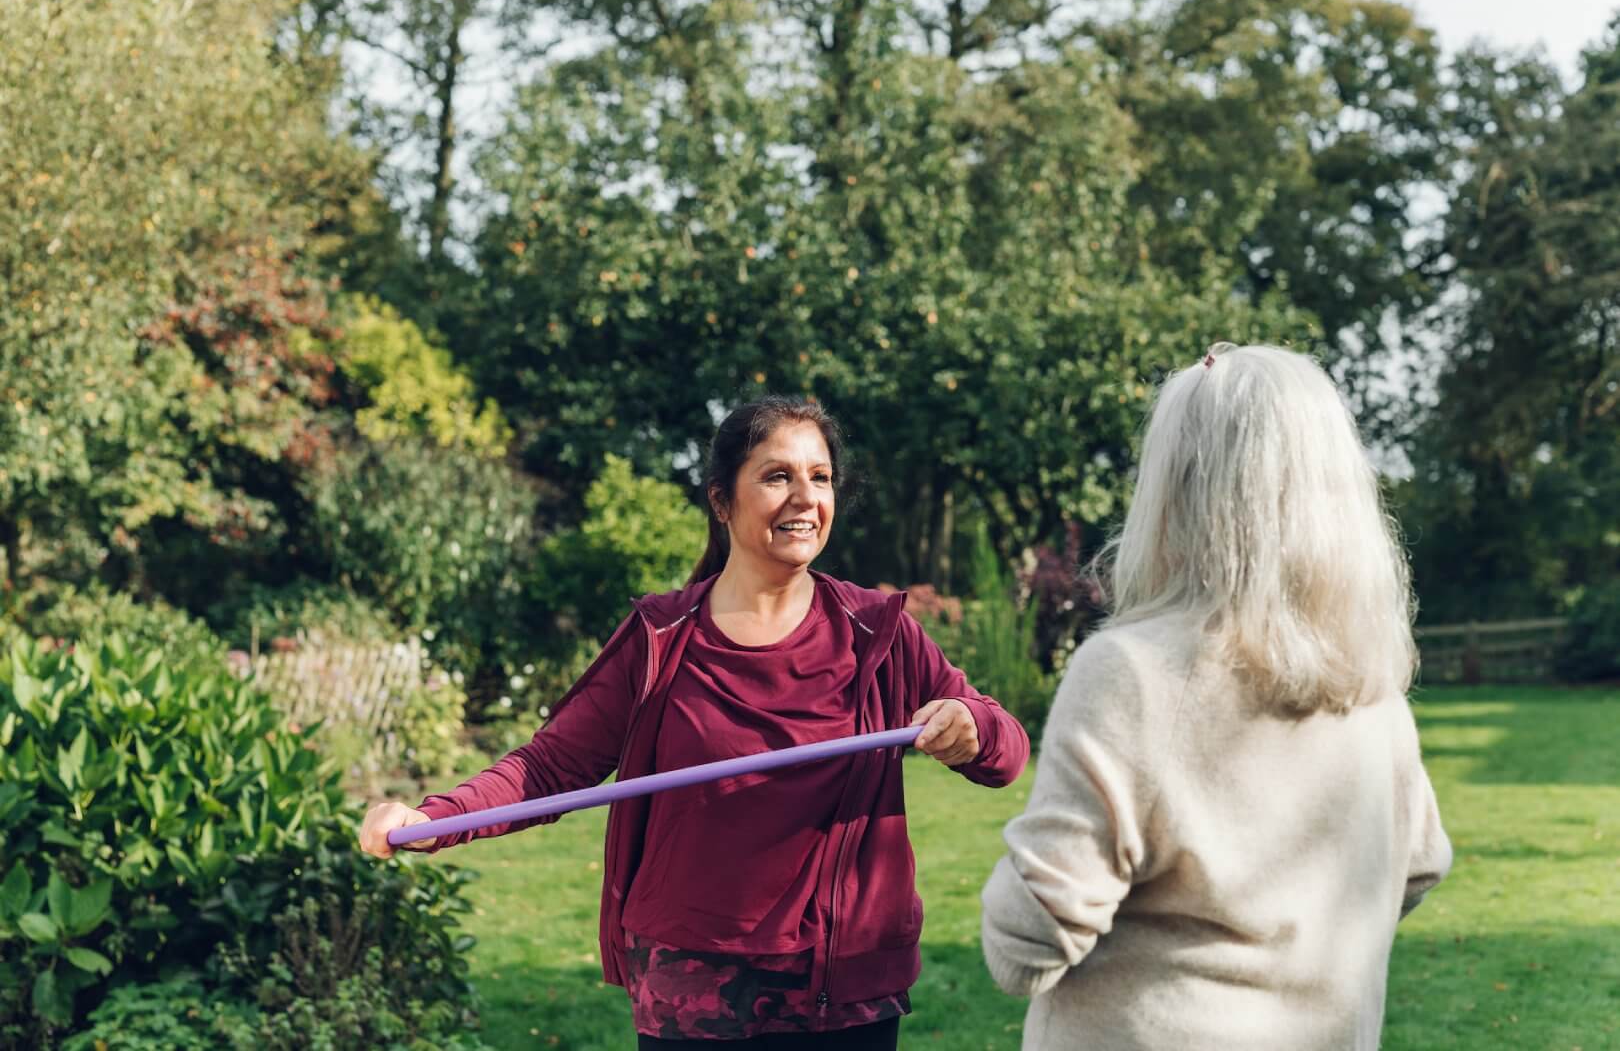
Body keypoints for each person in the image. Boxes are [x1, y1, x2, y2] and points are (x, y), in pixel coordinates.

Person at [360, 395, 1030, 1049]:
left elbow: (1005, 753)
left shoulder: (876, 631)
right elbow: (550, 766)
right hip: (693, 989)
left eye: (820, 477)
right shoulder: (662, 637)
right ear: (720, 502)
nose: (804, 498)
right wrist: (433, 819)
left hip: (843, 988)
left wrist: (971, 725)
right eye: (776, 476)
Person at [979, 343, 1452, 1050]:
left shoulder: (1130, 671)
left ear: (1176, 487)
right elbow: (1419, 865)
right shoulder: (1370, 684)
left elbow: (1028, 944)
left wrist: (1006, 890)